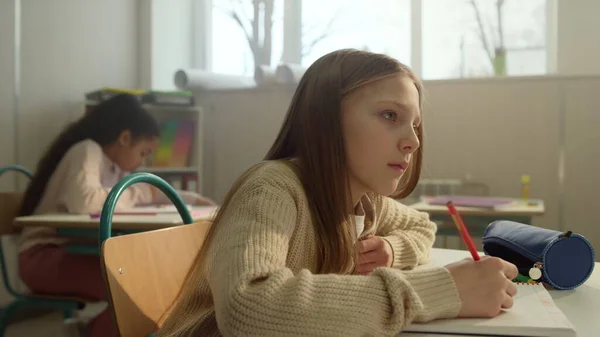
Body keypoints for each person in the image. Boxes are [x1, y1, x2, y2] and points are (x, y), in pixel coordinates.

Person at [156, 49, 518, 336]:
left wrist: (392, 250)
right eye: (390, 116)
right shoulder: (271, 189)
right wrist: (438, 291)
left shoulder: (365, 201)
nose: (412, 141)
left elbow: (422, 226)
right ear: (325, 120)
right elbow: (248, 306)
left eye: (416, 125)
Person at [18, 94, 214, 337]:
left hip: (72, 253)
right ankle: (90, 332)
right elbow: (86, 203)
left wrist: (194, 200)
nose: (143, 161)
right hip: (42, 257)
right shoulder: (87, 150)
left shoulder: (113, 167)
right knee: (138, 291)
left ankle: (87, 331)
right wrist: (145, 191)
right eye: (143, 152)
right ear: (124, 138)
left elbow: (146, 194)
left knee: (146, 285)